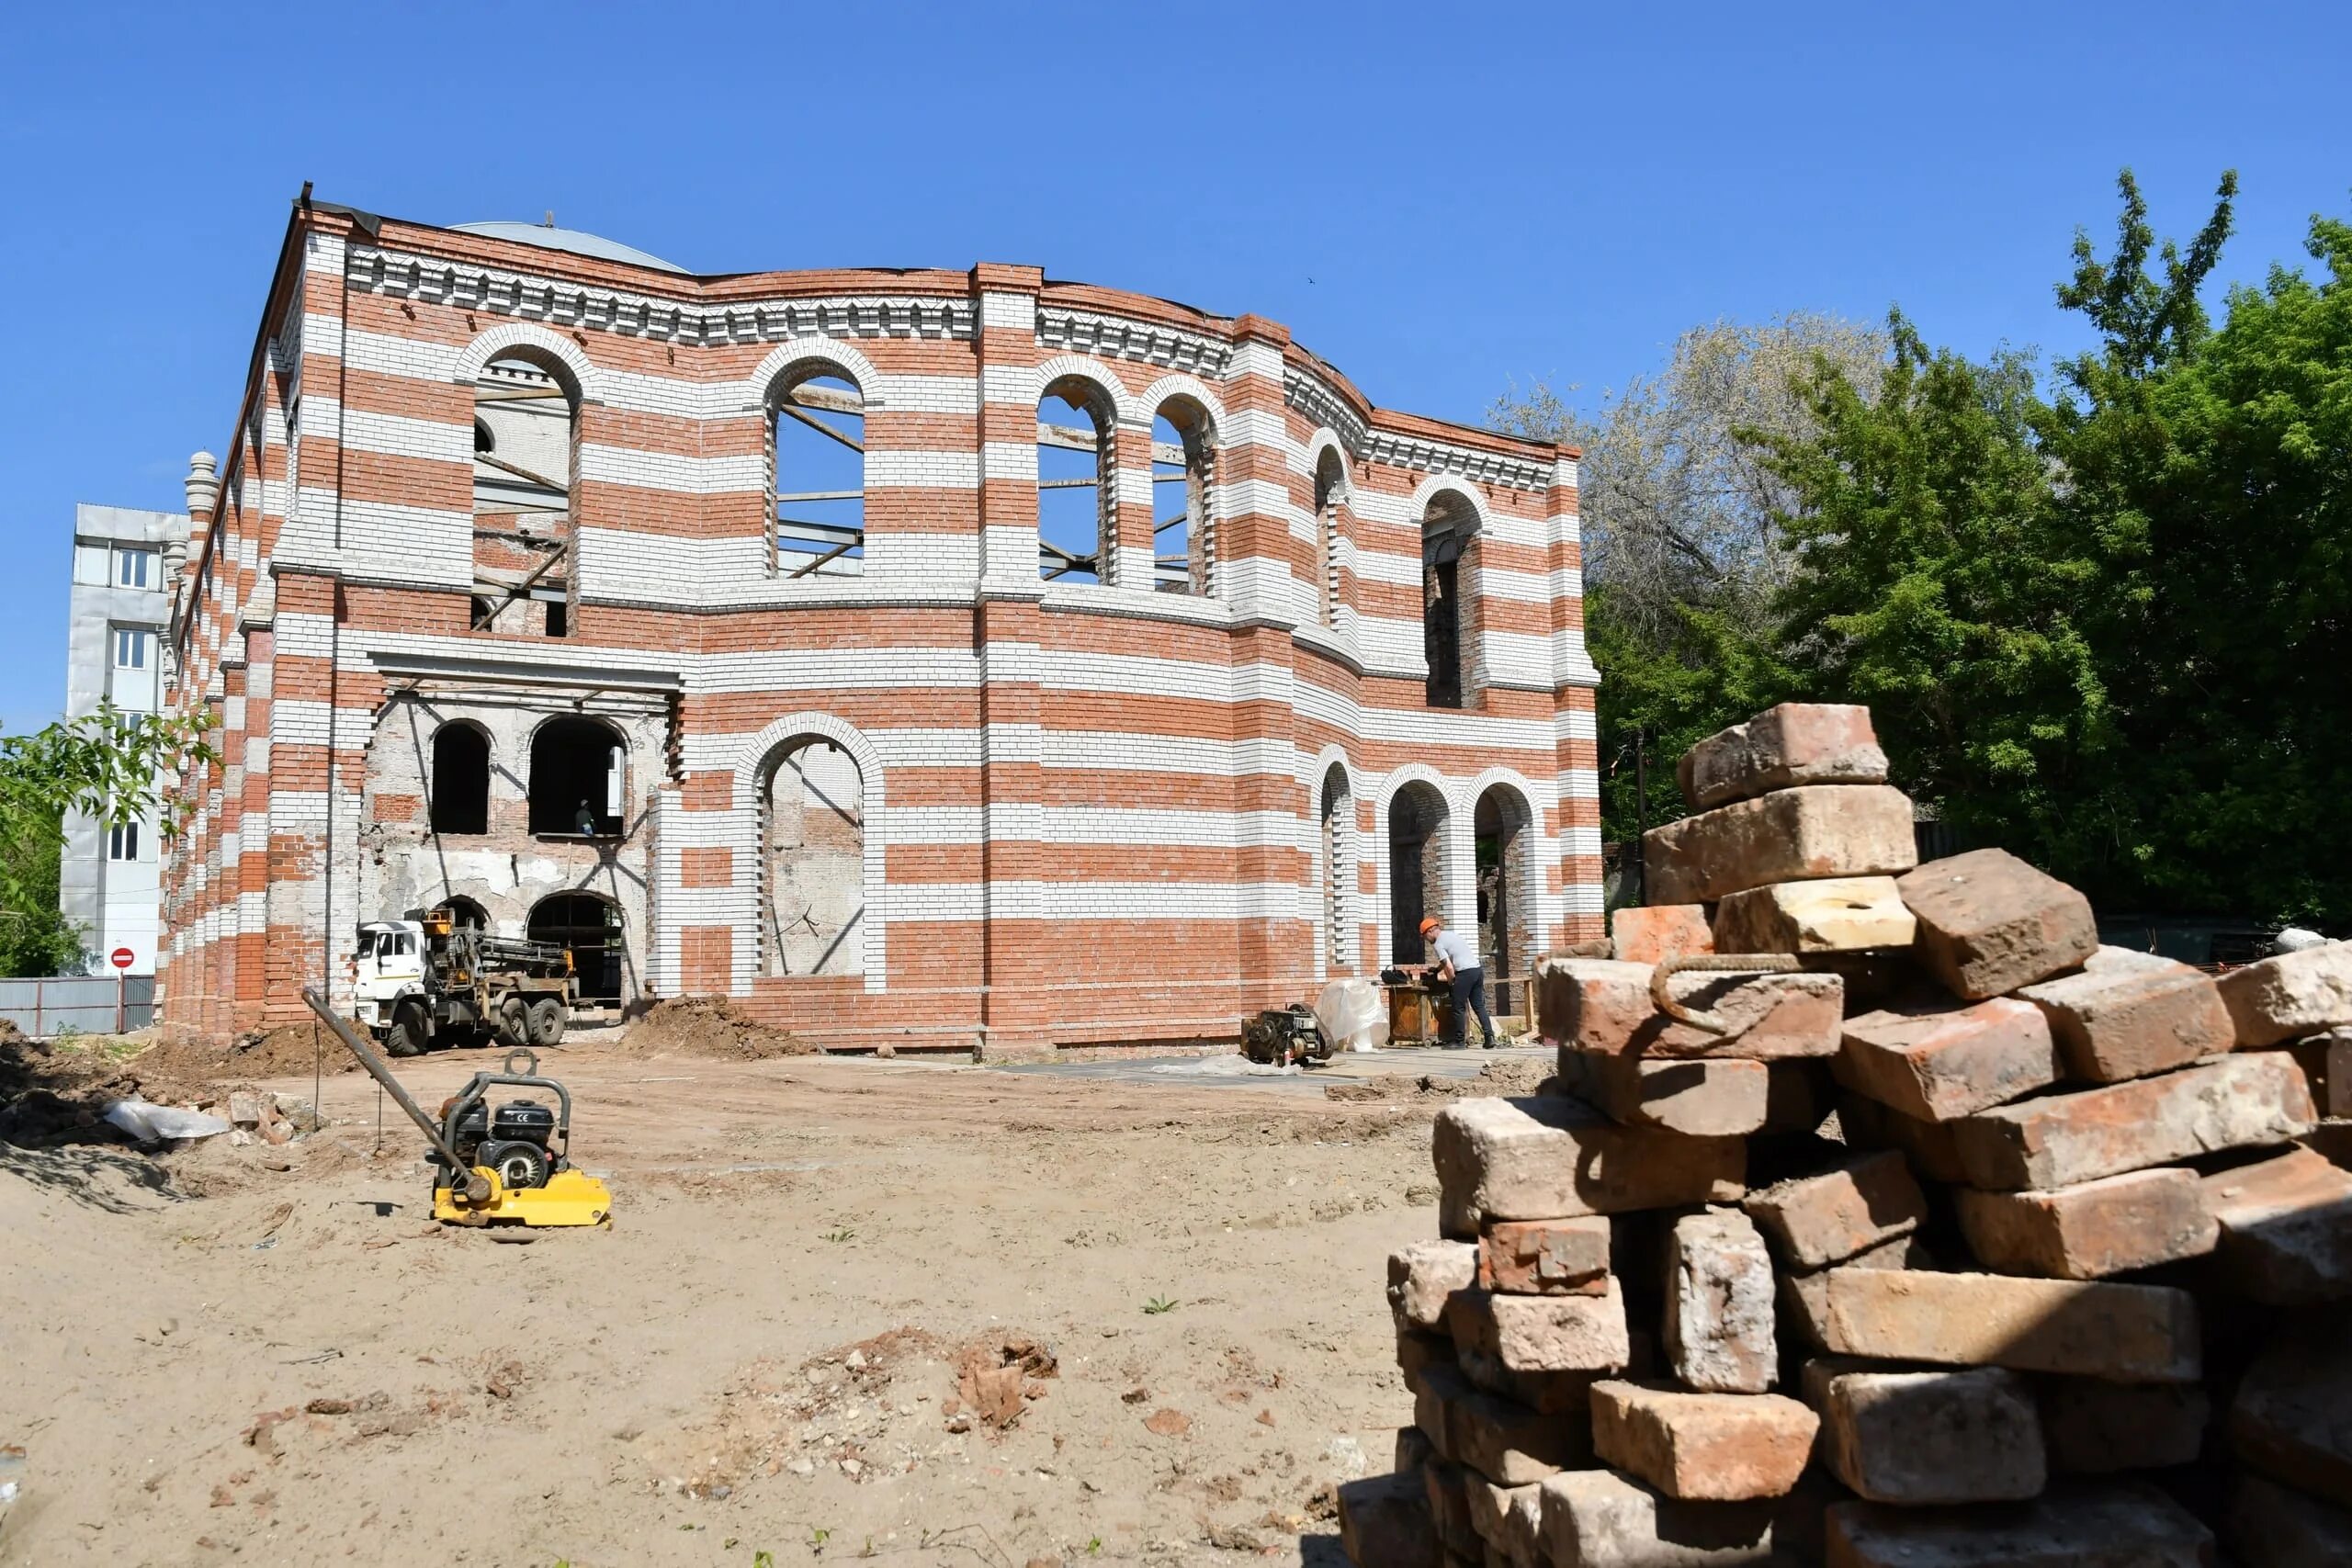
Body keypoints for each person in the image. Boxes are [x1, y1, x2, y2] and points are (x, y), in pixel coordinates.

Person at [1420, 913, 1496, 1050]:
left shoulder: (1438, 944)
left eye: (1426, 937)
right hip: (1477, 971)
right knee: (1479, 1006)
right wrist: (1437, 970)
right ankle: (1489, 1038)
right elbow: (1451, 958)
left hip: (1465, 974)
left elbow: (1449, 967)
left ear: (1430, 931)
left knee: (1458, 1007)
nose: (1427, 940)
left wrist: (1451, 982)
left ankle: (1459, 1041)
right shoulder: (1451, 935)